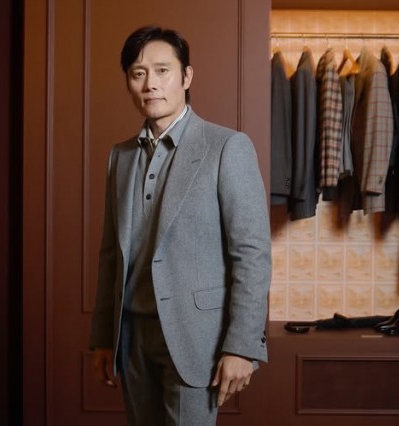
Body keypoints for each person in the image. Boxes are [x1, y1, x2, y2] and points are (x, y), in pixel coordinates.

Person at [89, 25, 271, 425]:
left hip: (197, 338)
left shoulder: (227, 147)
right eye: (138, 74)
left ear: (186, 77)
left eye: (162, 71)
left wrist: (242, 345)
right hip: (131, 337)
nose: (150, 84)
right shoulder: (120, 157)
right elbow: (110, 253)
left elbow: (252, 252)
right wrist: (103, 337)